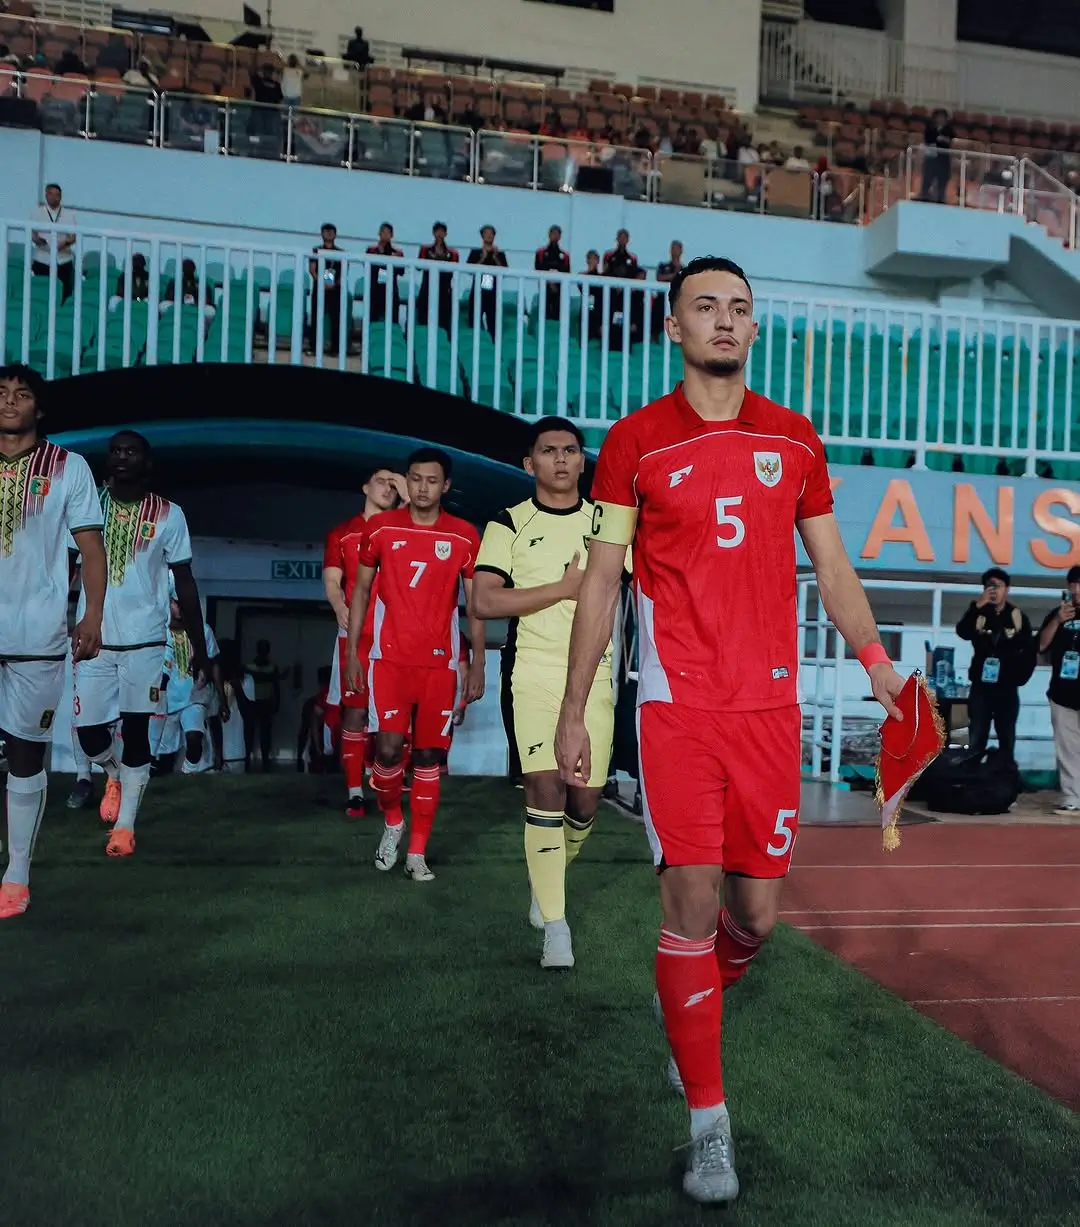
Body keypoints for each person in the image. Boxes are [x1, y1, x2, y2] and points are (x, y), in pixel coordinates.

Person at [553, 257, 905, 1205]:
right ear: (673, 327)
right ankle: (710, 1126)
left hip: (769, 712)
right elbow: (601, 582)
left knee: (755, 921)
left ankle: (692, 1017)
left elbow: (831, 567)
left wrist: (877, 665)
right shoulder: (634, 443)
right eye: (705, 307)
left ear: (754, 330)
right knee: (692, 908)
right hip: (678, 709)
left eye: (739, 309)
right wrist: (576, 704)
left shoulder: (794, 440)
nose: (724, 320)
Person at [473, 418, 613, 970]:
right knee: (545, 788)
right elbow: (484, 602)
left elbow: (624, 592)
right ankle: (556, 926)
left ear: (583, 461)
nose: (560, 459)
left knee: (584, 801)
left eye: (570, 451)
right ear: (528, 463)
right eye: (548, 451)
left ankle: (545, 880)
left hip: (595, 676)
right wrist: (563, 588)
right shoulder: (507, 523)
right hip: (532, 672)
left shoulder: (608, 524)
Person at [345, 448, 486, 881]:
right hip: (388, 661)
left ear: (445, 486)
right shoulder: (381, 529)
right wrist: (353, 653)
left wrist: (476, 662)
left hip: (439, 667)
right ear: (407, 481)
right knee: (386, 752)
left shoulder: (463, 535)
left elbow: (475, 605)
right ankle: (392, 820)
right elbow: (362, 594)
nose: (422, 488)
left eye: (431, 481)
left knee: (427, 757)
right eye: (416, 479)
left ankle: (417, 853)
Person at [71, 431, 208, 856]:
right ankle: (112, 772)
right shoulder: (86, 503)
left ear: (146, 462)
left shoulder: (170, 514)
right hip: (94, 638)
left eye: (131, 451)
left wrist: (200, 644)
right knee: (90, 734)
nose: (121, 457)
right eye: (115, 451)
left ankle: (125, 827)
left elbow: (185, 583)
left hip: (146, 642)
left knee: (136, 730)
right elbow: (65, 565)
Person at [0, 364, 105, 918]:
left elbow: (90, 547)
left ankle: (16, 875)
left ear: (39, 408)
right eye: (1, 393)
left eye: (22, 395)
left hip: (36, 632)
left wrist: (92, 615)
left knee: (25, 752)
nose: (10, 402)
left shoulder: (70, 468)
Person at [323, 468, 407, 816]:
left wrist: (405, 493)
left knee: (393, 715)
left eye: (395, 483)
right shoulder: (343, 533)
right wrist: (339, 606)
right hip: (357, 634)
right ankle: (355, 791)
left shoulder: (402, 529)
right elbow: (332, 579)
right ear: (364, 486)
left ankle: (385, 778)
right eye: (382, 480)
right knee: (354, 712)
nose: (388, 487)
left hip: (396, 635)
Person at [955, 568, 1033, 766]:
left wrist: (1020, 678)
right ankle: (971, 782)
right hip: (981, 687)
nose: (994, 591)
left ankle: (1004, 782)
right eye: (989, 586)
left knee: (1006, 736)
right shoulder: (979, 613)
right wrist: (977, 606)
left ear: (1007, 589)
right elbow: (963, 632)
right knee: (977, 735)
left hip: (1006, 687)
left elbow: (1029, 650)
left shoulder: (1017, 616)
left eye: (998, 586)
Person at [158, 600, 220, 773]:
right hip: (166, 698)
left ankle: (188, 773)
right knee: (164, 754)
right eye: (175, 603)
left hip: (194, 695)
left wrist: (221, 698)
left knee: (194, 738)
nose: (179, 606)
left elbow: (214, 662)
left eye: (181, 602)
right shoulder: (158, 631)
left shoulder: (203, 630)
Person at [1038, 565, 1080, 815]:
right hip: (1063, 692)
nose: (1076, 590)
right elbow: (1042, 645)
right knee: (1067, 748)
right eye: (1073, 584)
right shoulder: (1059, 613)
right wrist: (1057, 620)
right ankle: (1071, 797)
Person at [31, 183, 77, 304]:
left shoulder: (69, 215)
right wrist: (40, 242)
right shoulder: (37, 213)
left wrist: (64, 244)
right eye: (51, 194)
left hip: (63, 259)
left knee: (65, 292)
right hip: (42, 258)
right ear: (46, 195)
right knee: (41, 290)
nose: (54, 197)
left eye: (57, 195)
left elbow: (73, 237)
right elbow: (32, 234)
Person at [216, 638, 254, 774]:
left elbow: (248, 714)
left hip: (235, 748)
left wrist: (237, 687)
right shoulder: (210, 681)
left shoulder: (246, 680)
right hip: (214, 750)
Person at [308, 223, 346, 356]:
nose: (329, 234)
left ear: (335, 234)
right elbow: (312, 270)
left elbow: (344, 272)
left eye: (331, 231)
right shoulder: (316, 250)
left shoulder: (341, 253)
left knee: (335, 319)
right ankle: (313, 348)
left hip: (335, 290)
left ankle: (335, 349)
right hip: (319, 289)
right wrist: (322, 282)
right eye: (326, 231)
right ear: (322, 234)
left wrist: (333, 284)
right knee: (316, 318)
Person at [416, 223, 459, 335]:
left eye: (442, 232)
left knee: (443, 320)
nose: (439, 234)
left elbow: (453, 269)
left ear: (445, 234)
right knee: (424, 318)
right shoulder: (425, 249)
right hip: (427, 289)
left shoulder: (452, 253)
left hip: (445, 291)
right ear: (433, 233)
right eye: (437, 231)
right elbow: (418, 266)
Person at [466, 224, 508, 339]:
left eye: (491, 233)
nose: (489, 236)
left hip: (493, 294)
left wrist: (495, 257)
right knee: (474, 321)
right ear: (482, 236)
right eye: (486, 233)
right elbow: (469, 270)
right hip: (477, 293)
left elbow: (505, 272)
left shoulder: (500, 254)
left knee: (493, 323)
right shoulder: (475, 252)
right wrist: (482, 258)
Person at [245, 639, 283, 769]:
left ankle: (265, 761)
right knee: (250, 733)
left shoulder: (270, 667)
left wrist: (277, 702)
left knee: (265, 734)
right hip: (252, 702)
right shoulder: (250, 666)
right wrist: (274, 677)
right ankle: (247, 759)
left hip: (266, 702)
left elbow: (276, 685)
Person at [365, 223, 404, 324]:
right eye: (383, 232)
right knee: (372, 318)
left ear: (392, 235)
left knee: (392, 319)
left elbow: (401, 271)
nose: (385, 235)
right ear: (379, 233)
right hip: (374, 289)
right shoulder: (371, 250)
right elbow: (367, 267)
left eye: (388, 233)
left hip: (391, 289)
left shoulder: (397, 253)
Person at [535, 225, 570, 321]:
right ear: (549, 234)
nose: (555, 236)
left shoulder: (565, 256)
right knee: (544, 314)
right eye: (553, 233)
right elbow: (538, 269)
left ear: (560, 237)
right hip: (544, 289)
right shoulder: (540, 253)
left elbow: (566, 273)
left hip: (559, 291)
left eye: (557, 234)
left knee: (557, 314)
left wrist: (555, 283)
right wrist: (550, 282)